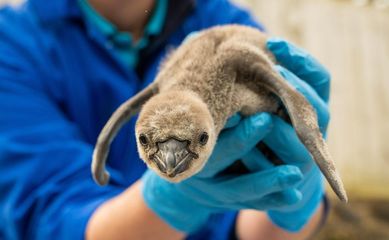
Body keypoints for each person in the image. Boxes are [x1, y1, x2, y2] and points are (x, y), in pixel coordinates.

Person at [0, 0, 331, 239]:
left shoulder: (224, 25)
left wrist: (293, 190)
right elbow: (49, 221)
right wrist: (172, 200)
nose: (171, 160)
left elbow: (254, 227)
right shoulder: (13, 46)